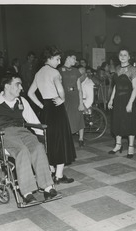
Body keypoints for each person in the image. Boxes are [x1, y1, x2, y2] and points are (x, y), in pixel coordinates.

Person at [0, 72, 59, 204]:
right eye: (18, 85)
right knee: (22, 150)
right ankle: (27, 193)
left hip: (22, 132)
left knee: (38, 147)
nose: (21, 88)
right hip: (1, 134)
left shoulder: (22, 101)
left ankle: (47, 187)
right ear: (7, 86)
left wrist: (41, 136)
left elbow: (33, 121)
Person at [28, 45, 75, 185]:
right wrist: (62, 99)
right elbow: (60, 89)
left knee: (49, 140)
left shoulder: (39, 73)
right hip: (56, 108)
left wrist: (42, 105)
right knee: (61, 140)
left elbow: (30, 93)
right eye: (57, 58)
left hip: (46, 109)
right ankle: (58, 176)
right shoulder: (54, 72)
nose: (59, 61)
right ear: (49, 58)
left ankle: (52, 171)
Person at [107, 48, 136, 159]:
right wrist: (111, 99)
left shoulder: (133, 70)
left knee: (129, 122)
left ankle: (131, 147)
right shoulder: (117, 68)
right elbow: (116, 86)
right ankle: (118, 145)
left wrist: (130, 103)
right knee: (117, 122)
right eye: (121, 54)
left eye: (125, 55)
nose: (123, 56)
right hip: (118, 99)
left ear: (129, 57)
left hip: (129, 98)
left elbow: (135, 88)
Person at [59, 50, 85, 147]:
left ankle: (81, 139)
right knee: (67, 118)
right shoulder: (59, 71)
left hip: (75, 96)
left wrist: (81, 102)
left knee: (79, 117)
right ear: (68, 58)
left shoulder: (76, 71)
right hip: (66, 97)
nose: (75, 60)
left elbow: (79, 88)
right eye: (74, 58)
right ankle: (67, 139)